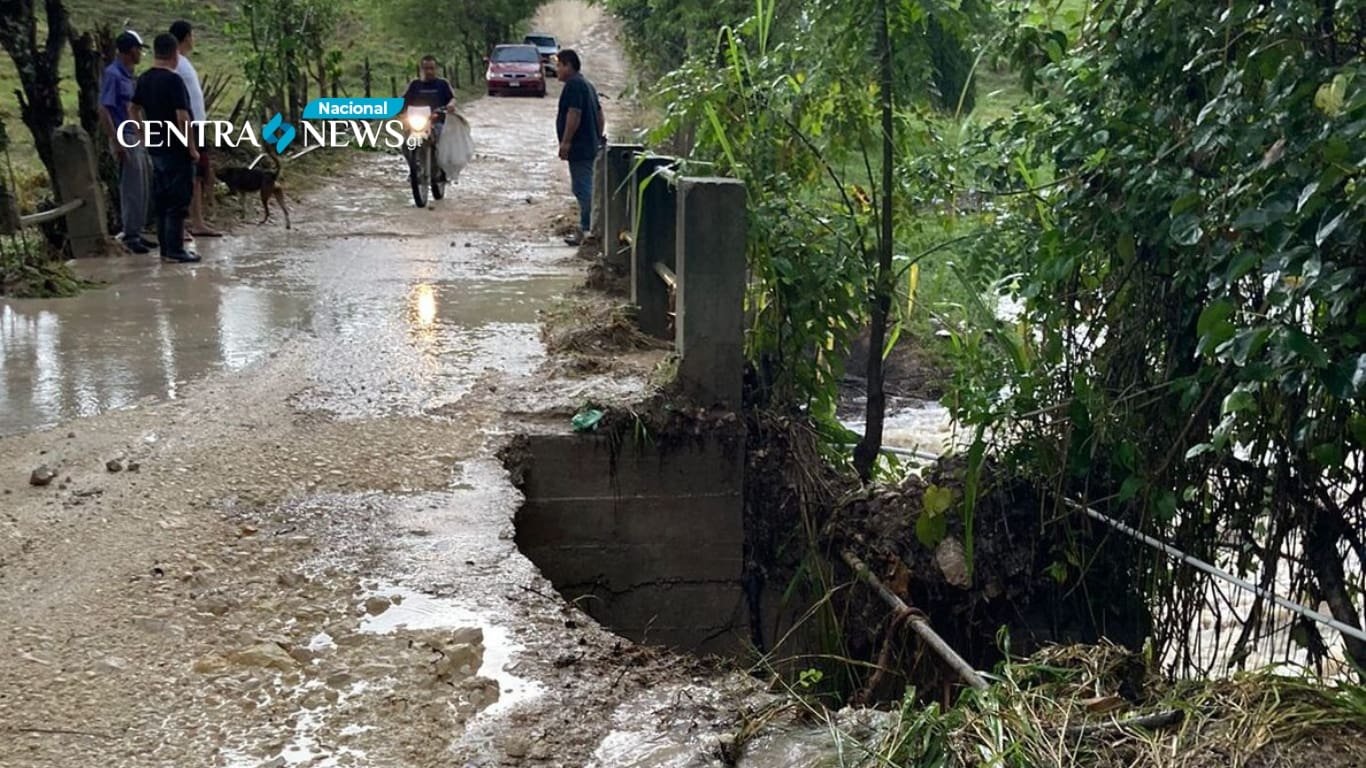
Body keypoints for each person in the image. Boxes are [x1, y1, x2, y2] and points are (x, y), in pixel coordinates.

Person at [131, 33, 200, 263]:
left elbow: (133, 108)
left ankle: (165, 249)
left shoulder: (144, 78)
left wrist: (142, 134)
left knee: (161, 200)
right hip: (176, 148)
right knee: (178, 201)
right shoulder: (173, 80)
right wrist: (191, 147)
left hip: (156, 147)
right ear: (174, 54)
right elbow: (183, 117)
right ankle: (175, 250)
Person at [99, 30, 152, 254]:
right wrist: (116, 141)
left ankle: (138, 231)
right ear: (132, 50)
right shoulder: (113, 74)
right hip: (123, 135)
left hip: (133, 134)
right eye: (139, 49)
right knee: (131, 185)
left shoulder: (128, 75)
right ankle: (130, 234)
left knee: (142, 185)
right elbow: (103, 109)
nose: (140, 53)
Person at [170, 19, 221, 239]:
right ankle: (179, 225)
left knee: (198, 176)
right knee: (182, 175)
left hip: (196, 125)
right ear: (187, 37)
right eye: (192, 34)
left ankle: (198, 222)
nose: (194, 39)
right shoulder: (176, 64)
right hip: (185, 127)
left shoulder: (184, 62)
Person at [555, 48, 605, 246]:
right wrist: (598, 137)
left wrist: (566, 142)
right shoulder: (588, 85)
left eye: (559, 65)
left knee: (583, 188)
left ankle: (589, 230)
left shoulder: (574, 85)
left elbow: (573, 114)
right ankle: (589, 228)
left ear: (568, 65)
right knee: (587, 186)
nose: (557, 70)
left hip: (580, 147)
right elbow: (601, 115)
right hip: (590, 144)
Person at [400, 56, 457, 184]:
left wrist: (451, 105)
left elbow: (452, 98)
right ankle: (414, 169)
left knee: (440, 143)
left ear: (436, 69)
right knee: (405, 144)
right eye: (426, 68)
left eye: (431, 68)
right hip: (417, 122)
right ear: (421, 69)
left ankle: (441, 169)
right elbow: (404, 100)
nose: (429, 71)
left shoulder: (442, 84)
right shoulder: (415, 85)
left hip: (437, 121)